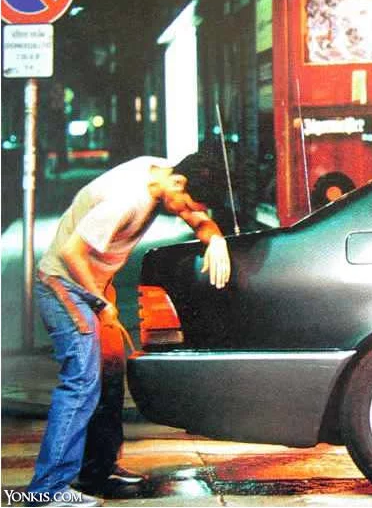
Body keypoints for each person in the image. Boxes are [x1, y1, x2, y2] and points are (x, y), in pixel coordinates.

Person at [27, 149, 232, 507]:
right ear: (178, 182)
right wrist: (100, 302)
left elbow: (200, 221)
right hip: (65, 286)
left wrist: (216, 239)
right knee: (81, 382)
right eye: (188, 203)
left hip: (92, 286)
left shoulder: (165, 175)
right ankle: (46, 490)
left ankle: (98, 471)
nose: (188, 212)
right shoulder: (126, 198)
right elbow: (72, 253)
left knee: (108, 376)